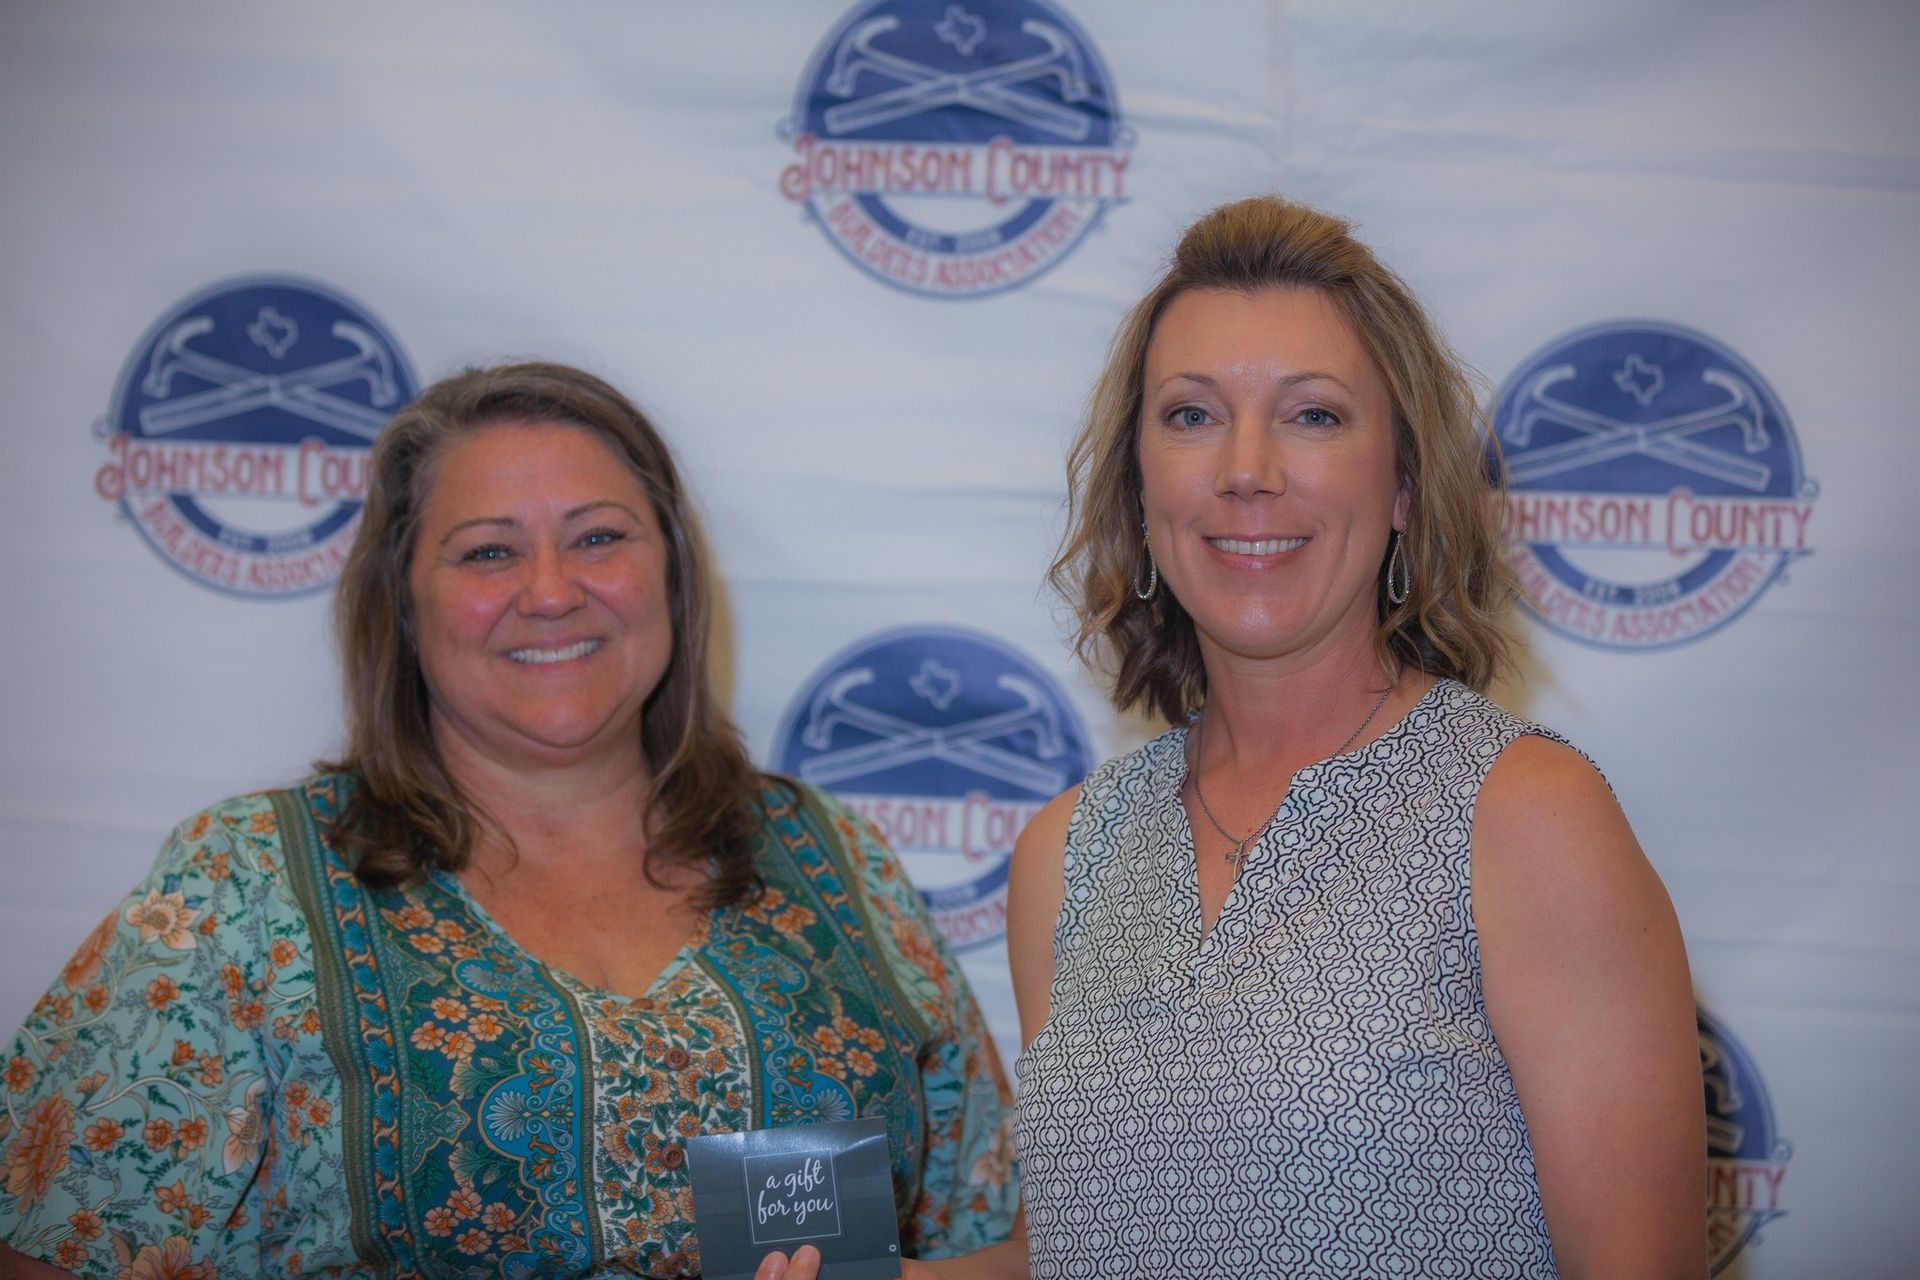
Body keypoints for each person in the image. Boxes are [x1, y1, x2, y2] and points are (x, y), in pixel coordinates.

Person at [0, 362, 1017, 1278]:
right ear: (403, 603)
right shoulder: (246, 884)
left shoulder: (830, 855)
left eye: (599, 537)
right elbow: (45, 1245)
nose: (550, 590)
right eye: (488, 552)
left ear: (669, 568)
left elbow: (1003, 1235)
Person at [1003, 196, 1706, 1278]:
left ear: (1408, 491)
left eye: (1314, 415)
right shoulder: (1065, 855)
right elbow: (1082, 1246)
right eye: (1191, 414)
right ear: (1140, 493)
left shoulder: (1522, 814)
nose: (1247, 467)